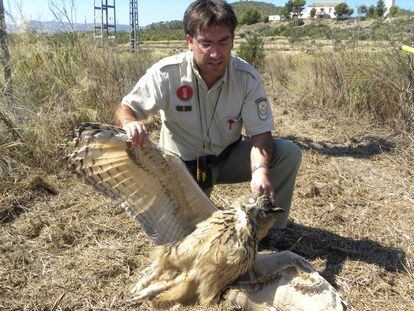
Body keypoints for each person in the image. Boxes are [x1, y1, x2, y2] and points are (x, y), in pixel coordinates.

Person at [114, 0, 301, 229]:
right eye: (206, 44)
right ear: (189, 41)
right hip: (181, 166)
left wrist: (260, 171)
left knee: (288, 153)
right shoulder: (167, 73)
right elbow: (126, 108)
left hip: (225, 157)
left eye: (223, 42)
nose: (215, 54)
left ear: (233, 39)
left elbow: (261, 135)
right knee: (188, 230)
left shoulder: (246, 77)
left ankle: (269, 231)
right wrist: (130, 122)